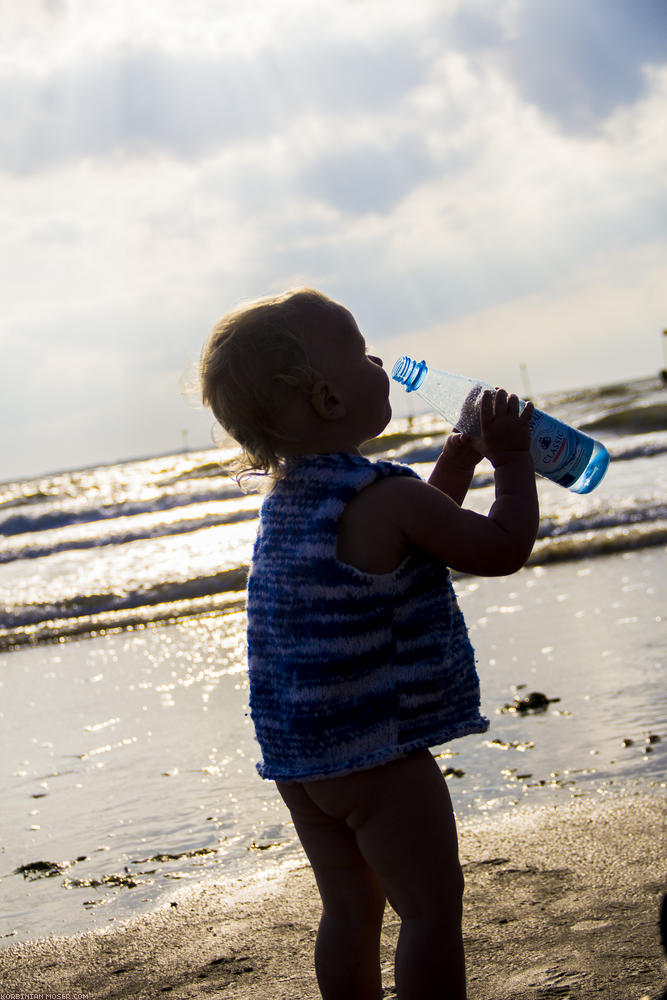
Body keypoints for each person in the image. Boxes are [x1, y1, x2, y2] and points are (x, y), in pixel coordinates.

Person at [200, 288, 539, 1000]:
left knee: (350, 909)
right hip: (377, 753)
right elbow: (499, 546)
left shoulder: (291, 496)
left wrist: (460, 460)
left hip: (301, 757)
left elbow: (415, 532)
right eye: (360, 351)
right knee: (429, 912)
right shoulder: (384, 494)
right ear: (328, 399)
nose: (379, 360)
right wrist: (510, 459)